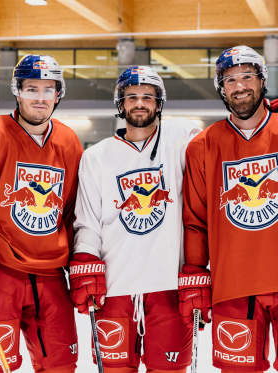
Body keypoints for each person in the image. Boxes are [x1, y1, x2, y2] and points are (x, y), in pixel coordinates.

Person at [69, 66, 201, 373]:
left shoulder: (181, 139)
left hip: (167, 287)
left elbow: (225, 140)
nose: (139, 103)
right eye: (131, 97)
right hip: (115, 289)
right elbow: (87, 220)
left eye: (147, 96)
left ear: (158, 103)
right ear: (120, 102)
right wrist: (85, 259)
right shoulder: (96, 157)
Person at [179, 45, 278, 373]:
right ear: (221, 89)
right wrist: (195, 273)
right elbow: (195, 220)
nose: (239, 86)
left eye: (247, 76)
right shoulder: (202, 146)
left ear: (262, 80)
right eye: (230, 79)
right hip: (233, 287)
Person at [0, 54, 83, 373]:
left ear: (58, 94)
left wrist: (82, 260)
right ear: (17, 91)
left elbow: (74, 209)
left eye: (48, 90)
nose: (40, 97)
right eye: (32, 89)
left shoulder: (68, 141)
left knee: (61, 364)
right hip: (2, 270)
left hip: (51, 274)